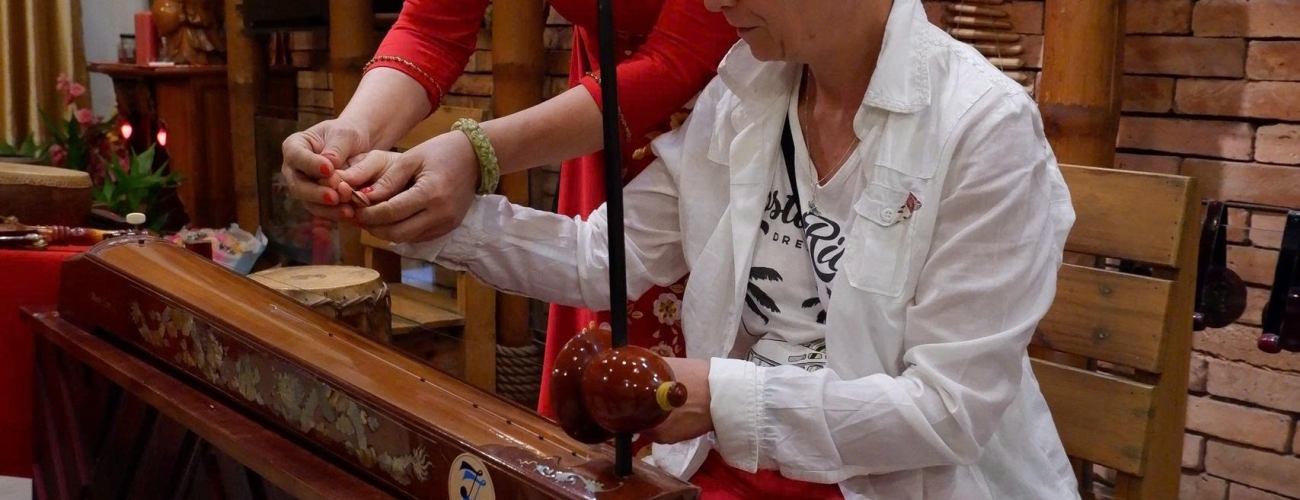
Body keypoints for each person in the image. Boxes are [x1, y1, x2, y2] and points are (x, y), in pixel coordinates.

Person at [361, 0, 1081, 497]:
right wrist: (427, 212)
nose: (709, 1)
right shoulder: (747, 95)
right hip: (728, 472)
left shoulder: (982, 128)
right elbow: (599, 255)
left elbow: (947, 411)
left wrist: (717, 396)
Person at [278, 0, 737, 418]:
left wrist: (477, 153)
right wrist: (352, 134)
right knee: (603, 284)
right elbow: (431, 25)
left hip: (724, 104)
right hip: (597, 112)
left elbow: (681, 55)